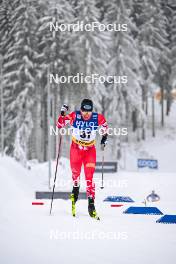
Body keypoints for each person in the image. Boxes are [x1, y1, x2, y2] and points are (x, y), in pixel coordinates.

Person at [57, 99, 108, 219]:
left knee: (89, 177)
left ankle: (91, 205)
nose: (86, 114)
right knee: (76, 175)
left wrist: (104, 138)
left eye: (88, 112)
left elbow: (105, 126)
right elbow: (60, 124)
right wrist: (62, 114)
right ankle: (75, 192)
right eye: (84, 111)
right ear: (81, 110)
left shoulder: (97, 118)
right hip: (76, 149)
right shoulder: (75, 115)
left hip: (90, 150)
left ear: (92, 111)